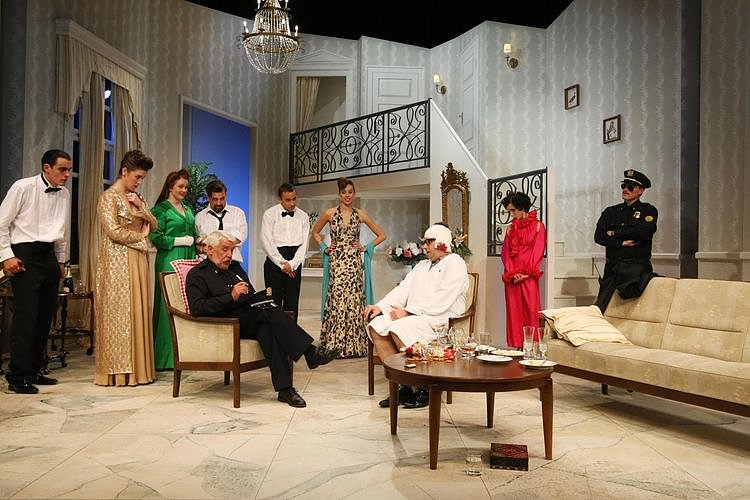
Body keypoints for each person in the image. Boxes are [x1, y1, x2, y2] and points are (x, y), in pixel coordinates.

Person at [185, 231, 339, 407]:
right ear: (209, 249)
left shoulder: (234, 270)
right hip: (225, 324)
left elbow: (249, 293)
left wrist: (254, 298)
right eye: (225, 249)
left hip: (248, 318)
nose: (229, 255)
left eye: (232, 250)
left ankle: (285, 390)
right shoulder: (197, 274)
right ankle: (310, 352)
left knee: (268, 327)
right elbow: (197, 308)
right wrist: (231, 296)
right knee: (267, 313)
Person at [364, 223, 468, 409]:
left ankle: (423, 387)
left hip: (440, 317)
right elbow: (402, 290)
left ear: (442, 242)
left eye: (429, 242)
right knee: (376, 326)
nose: (425, 247)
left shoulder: (455, 263)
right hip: (416, 315)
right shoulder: (422, 265)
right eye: (425, 242)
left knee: (399, 328)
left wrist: (407, 312)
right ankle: (401, 386)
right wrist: (380, 307)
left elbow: (442, 299)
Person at [0, 149, 72, 394]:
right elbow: (2, 224)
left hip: (49, 255)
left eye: (69, 170)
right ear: (46, 167)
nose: (67, 174)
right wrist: (7, 256)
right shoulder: (23, 187)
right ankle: (17, 377)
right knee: (26, 317)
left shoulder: (64, 193)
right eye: (62, 169)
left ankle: (34, 370)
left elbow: (63, 230)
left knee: (44, 318)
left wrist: (60, 260)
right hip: (24, 255)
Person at [94, 150, 157, 386]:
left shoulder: (136, 197)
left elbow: (154, 224)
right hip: (117, 261)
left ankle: (140, 371)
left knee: (139, 309)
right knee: (120, 312)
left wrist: (141, 207)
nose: (139, 182)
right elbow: (112, 231)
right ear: (124, 171)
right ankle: (118, 372)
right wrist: (141, 237)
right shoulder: (108, 198)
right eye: (137, 177)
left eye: (142, 178)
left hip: (138, 259)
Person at [312, 177, 386, 358]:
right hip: (336, 263)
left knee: (354, 302)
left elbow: (382, 235)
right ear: (339, 194)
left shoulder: (360, 215)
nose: (347, 195)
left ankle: (355, 346)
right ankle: (335, 345)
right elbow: (315, 231)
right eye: (344, 192)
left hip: (353, 264)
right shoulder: (330, 213)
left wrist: (365, 247)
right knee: (337, 301)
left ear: (354, 194)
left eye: (350, 192)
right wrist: (324, 247)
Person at [149, 169, 199, 370]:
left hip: (188, 259)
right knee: (168, 305)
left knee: (186, 305)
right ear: (170, 187)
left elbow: (193, 233)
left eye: (186, 187)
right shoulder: (160, 210)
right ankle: (166, 357)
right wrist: (180, 241)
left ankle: (185, 355)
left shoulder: (188, 208)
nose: (184, 190)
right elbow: (156, 237)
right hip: (169, 259)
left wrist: (198, 242)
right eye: (180, 186)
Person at [594, 169, 658, 311]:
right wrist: (621, 242)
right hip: (612, 268)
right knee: (602, 308)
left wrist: (614, 232)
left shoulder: (648, 211)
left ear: (641, 190)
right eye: (624, 186)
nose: (625, 190)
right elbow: (599, 236)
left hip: (635, 269)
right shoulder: (611, 212)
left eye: (631, 187)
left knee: (635, 310)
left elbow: (643, 233)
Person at [500, 192, 547, 348]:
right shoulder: (510, 229)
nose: (511, 214)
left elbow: (538, 251)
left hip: (529, 275)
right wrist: (512, 272)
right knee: (514, 312)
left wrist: (526, 273)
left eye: (513, 210)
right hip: (513, 277)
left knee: (531, 310)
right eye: (509, 211)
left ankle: (532, 348)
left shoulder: (538, 226)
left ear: (522, 208)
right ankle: (516, 348)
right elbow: (506, 254)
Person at [260, 183, 309, 321]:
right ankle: (273, 332)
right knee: (273, 301)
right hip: (274, 262)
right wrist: (283, 264)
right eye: (288, 200)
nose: (292, 203)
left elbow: (304, 244)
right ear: (280, 199)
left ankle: (291, 333)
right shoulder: (269, 214)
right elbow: (266, 241)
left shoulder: (303, 216)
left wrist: (292, 265)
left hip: (294, 261)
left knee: (292, 302)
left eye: (294, 199)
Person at [195, 180, 247, 265]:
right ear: (208, 198)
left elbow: (239, 238)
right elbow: (197, 242)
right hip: (207, 264)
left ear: (225, 195)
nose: (219, 203)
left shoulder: (238, 214)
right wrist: (201, 241)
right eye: (215, 199)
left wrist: (210, 241)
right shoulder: (199, 217)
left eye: (222, 198)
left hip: (232, 264)